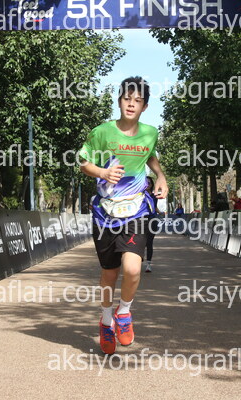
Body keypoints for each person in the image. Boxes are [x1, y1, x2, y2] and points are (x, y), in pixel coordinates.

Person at [78, 76, 168, 355]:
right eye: (127, 99)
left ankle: (124, 312)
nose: (131, 104)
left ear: (145, 107)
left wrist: (161, 175)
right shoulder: (102, 132)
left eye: (137, 101)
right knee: (110, 273)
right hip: (105, 213)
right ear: (119, 101)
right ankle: (106, 322)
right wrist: (103, 172)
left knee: (132, 269)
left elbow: (149, 155)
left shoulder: (150, 133)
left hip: (136, 210)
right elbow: (83, 162)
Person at [144, 177, 166, 273]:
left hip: (152, 220)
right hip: (141, 220)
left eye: (149, 182)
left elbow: (154, 206)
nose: (147, 184)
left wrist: (160, 212)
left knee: (149, 242)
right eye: (146, 182)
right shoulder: (139, 195)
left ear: (152, 184)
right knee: (140, 241)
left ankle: (148, 264)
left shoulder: (154, 196)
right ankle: (138, 260)